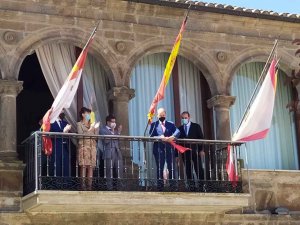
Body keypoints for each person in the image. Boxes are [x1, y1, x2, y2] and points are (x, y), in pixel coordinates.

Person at [149, 108, 180, 191]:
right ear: (157, 115)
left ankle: (173, 186)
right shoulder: (154, 125)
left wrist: (172, 137)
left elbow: (177, 131)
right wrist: (160, 137)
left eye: (163, 115)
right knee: (160, 167)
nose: (162, 116)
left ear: (165, 115)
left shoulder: (171, 124)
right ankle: (160, 187)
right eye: (160, 115)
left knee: (171, 167)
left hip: (169, 148)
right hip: (159, 149)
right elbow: (151, 137)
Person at [178, 111, 204, 190]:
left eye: (185, 118)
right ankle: (191, 187)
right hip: (185, 153)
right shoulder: (179, 129)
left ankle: (201, 187)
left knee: (198, 169)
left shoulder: (196, 126)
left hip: (195, 151)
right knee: (188, 170)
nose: (184, 119)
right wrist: (177, 154)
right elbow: (177, 142)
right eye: (182, 118)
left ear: (189, 117)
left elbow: (201, 138)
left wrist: (201, 150)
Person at [77, 107, 100, 190]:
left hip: (92, 147)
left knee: (91, 166)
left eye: (90, 114)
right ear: (83, 114)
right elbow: (80, 135)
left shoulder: (92, 124)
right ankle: (82, 186)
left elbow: (96, 137)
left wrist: (96, 128)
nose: (89, 115)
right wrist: (90, 129)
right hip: (83, 147)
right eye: (87, 113)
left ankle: (89, 186)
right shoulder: (79, 124)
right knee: (83, 166)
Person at [99, 115, 123, 190]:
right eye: (112, 122)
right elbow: (106, 141)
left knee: (119, 170)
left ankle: (119, 188)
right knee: (109, 171)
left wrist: (118, 132)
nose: (114, 123)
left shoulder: (115, 131)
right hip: (108, 152)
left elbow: (117, 141)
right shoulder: (103, 130)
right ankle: (109, 188)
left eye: (114, 122)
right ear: (108, 122)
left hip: (117, 152)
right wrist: (112, 131)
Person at [49, 110, 72, 177]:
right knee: (57, 166)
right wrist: (63, 131)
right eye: (61, 110)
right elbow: (52, 133)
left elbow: (68, 134)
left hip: (65, 147)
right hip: (56, 146)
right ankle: (57, 184)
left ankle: (66, 184)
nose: (63, 112)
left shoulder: (64, 122)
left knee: (66, 165)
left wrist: (67, 131)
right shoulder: (51, 122)